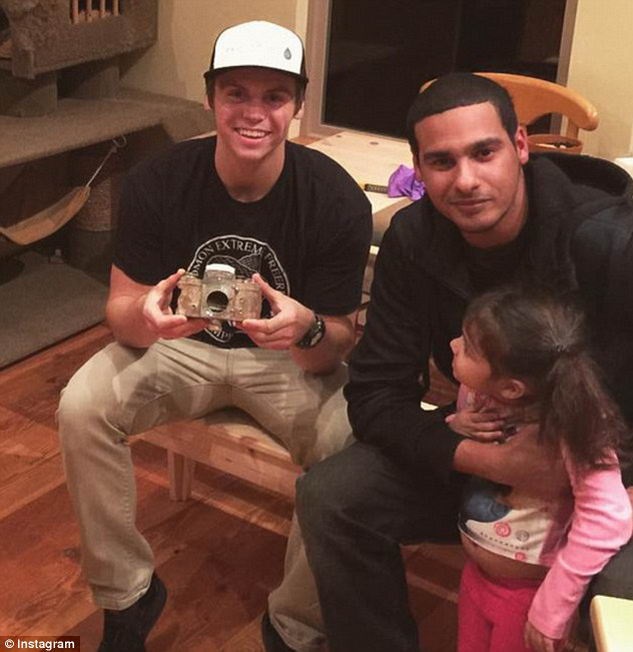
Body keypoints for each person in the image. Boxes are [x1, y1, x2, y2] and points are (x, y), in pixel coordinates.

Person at [57, 20, 372, 652]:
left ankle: (295, 625)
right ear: (210, 98)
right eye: (236, 94)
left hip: (287, 363)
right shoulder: (157, 181)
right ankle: (127, 595)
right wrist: (147, 318)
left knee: (353, 445)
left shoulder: (334, 197)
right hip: (179, 348)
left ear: (297, 104)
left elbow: (335, 342)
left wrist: (307, 327)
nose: (254, 113)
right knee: (80, 407)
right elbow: (120, 309)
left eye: (274, 97)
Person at [295, 72, 633, 652]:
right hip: (487, 459)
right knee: (332, 497)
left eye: (484, 152)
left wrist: (589, 475)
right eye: (442, 162)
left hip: (608, 482)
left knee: (619, 597)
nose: (466, 180)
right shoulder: (412, 239)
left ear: (521, 146)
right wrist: (492, 461)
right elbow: (375, 395)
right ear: (418, 169)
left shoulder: (606, 242)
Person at [446, 286, 631, 652]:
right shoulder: (480, 392)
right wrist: (456, 425)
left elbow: (609, 518)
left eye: (467, 347)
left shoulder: (576, 424)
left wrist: (554, 607)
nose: (452, 345)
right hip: (476, 577)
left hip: (529, 600)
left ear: (512, 388)